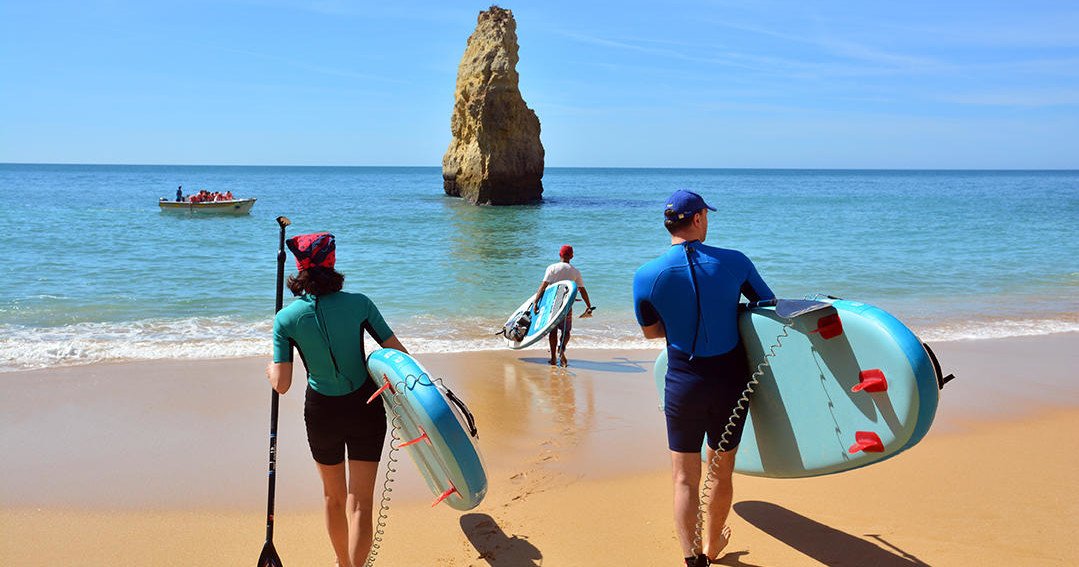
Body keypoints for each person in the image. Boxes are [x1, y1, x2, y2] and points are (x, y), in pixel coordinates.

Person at [632, 190, 775, 567]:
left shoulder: (646, 276)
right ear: (697, 219)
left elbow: (651, 332)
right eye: (705, 216)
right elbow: (765, 307)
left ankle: (693, 560)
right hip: (730, 381)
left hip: (683, 382)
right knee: (721, 469)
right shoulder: (735, 263)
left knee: (684, 478)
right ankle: (713, 548)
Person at [266, 232, 408, 567]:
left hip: (322, 412)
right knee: (360, 502)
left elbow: (282, 384)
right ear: (332, 262)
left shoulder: (285, 319)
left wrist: (270, 370)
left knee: (333, 498)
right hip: (366, 407)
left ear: (299, 268)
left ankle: (342, 563)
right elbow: (398, 355)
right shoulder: (360, 304)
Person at [532, 244, 592, 367]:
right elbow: (582, 290)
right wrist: (588, 306)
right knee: (566, 331)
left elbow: (543, 286)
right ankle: (562, 348)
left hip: (552, 305)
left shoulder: (552, 268)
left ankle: (553, 358)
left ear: (560, 254)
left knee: (552, 331)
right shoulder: (575, 271)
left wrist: (535, 302)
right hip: (566, 304)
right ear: (572, 256)